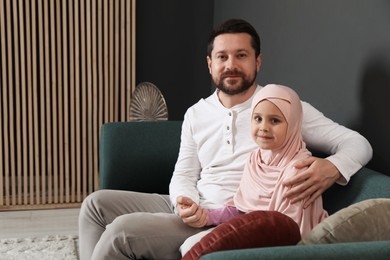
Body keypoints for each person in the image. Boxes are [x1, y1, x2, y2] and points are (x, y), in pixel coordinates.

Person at [79, 19, 372, 259]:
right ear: (210, 64)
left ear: (258, 61)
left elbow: (358, 144)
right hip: (194, 205)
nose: (231, 64)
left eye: (241, 55)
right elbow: (184, 171)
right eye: (222, 57)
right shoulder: (197, 113)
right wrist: (186, 203)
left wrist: (332, 167)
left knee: (122, 231)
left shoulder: (280, 106)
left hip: (232, 217)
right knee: (95, 205)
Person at [182, 84, 329, 247]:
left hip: (275, 244)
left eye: (275, 120)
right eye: (258, 118)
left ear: (293, 124)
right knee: (193, 242)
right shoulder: (255, 159)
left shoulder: (297, 171)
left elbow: (288, 232)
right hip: (251, 232)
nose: (263, 128)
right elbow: (241, 209)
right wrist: (208, 216)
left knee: (194, 244)